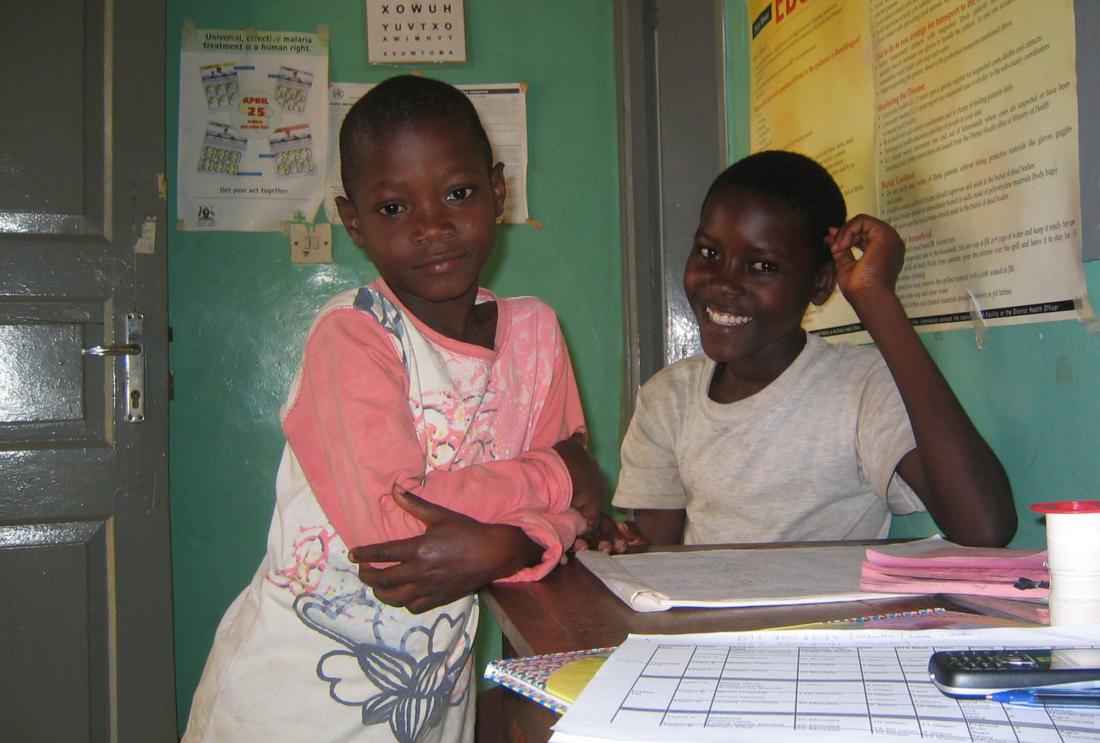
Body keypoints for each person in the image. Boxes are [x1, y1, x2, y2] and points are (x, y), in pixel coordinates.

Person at [183, 75, 608, 743]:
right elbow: (396, 538)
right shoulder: (353, 335)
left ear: (499, 191)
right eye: (392, 207)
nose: (432, 225)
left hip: (432, 705)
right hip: (289, 706)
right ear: (353, 222)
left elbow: (579, 514)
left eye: (458, 193)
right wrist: (542, 493)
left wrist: (527, 531)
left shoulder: (534, 335)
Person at [611, 150, 1017, 548]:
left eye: (762, 266)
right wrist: (617, 543)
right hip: (707, 615)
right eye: (709, 253)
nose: (723, 283)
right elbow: (653, 563)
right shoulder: (666, 399)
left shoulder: (859, 387)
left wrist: (877, 300)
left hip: (828, 618)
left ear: (821, 284)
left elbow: (984, 528)